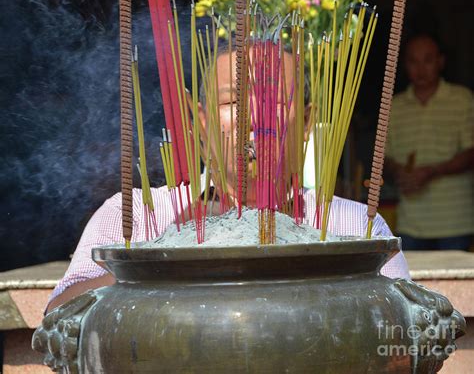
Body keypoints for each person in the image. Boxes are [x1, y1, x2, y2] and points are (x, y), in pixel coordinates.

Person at [47, 49, 411, 313]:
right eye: (231, 101)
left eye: (273, 99)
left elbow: (405, 325)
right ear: (202, 121)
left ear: (305, 122)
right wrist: (143, 269)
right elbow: (58, 316)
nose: (253, 116)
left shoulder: (353, 225)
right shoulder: (137, 215)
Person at [385, 33, 474, 251]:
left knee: (455, 284)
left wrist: (431, 171)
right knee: (411, 283)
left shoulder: (461, 98)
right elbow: (383, 158)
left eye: (428, 60)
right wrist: (398, 171)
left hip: (455, 221)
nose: (420, 69)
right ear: (405, 65)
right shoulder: (394, 106)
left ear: (440, 62)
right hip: (411, 221)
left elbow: (471, 153)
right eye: (413, 61)